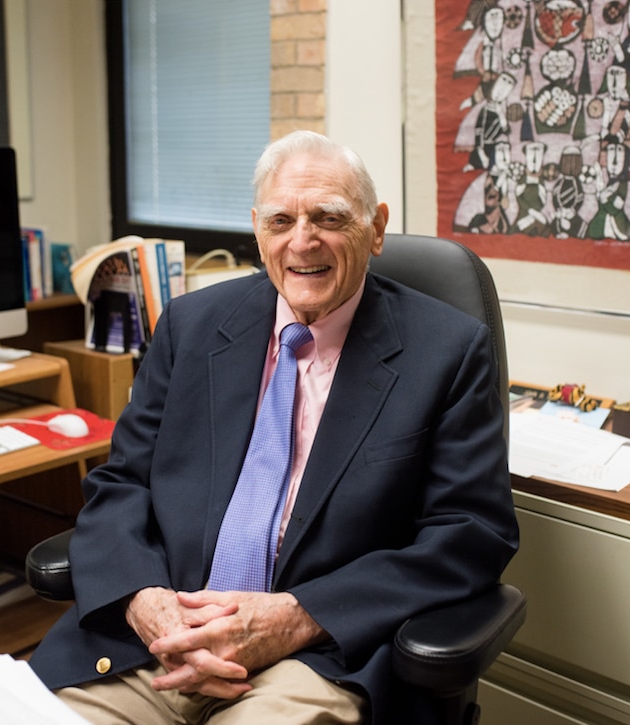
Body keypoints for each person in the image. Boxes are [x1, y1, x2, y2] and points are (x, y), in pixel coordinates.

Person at [27, 130, 519, 724]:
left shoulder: (447, 349)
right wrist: (142, 599)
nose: (302, 242)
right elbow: (121, 483)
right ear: (258, 229)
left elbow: (469, 533)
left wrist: (295, 616)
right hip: (153, 642)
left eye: (329, 218)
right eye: (281, 220)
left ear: (377, 226)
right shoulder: (192, 325)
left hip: (316, 654)